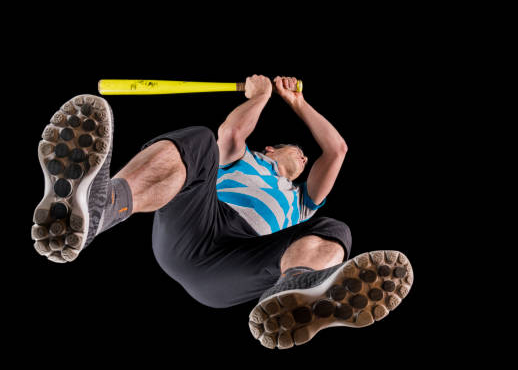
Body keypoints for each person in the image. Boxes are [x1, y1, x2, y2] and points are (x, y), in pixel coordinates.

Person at [32, 75, 414, 349]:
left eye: (304, 156)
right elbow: (230, 135)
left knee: (335, 230)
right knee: (201, 141)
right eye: (294, 148)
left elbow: (337, 150)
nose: (303, 154)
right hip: (199, 224)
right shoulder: (243, 159)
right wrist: (261, 96)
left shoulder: (302, 201)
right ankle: (98, 208)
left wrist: (298, 104)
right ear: (269, 150)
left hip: (237, 264)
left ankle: (299, 289)